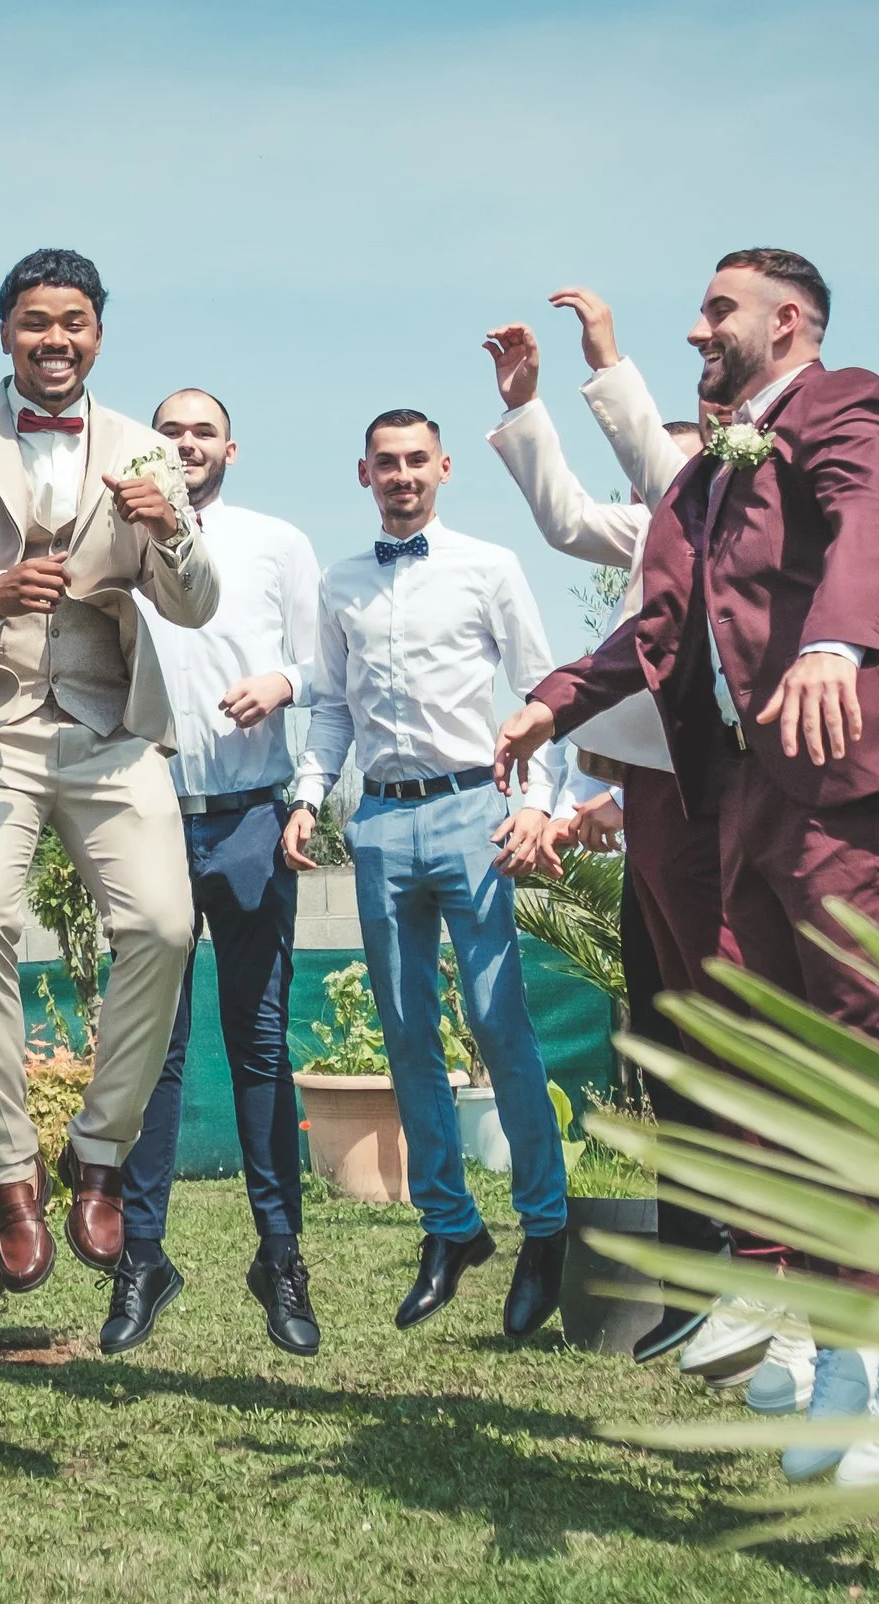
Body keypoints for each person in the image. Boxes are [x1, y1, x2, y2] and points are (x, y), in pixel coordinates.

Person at [495, 249, 879, 1484]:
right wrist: (555, 701)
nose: (696, 326)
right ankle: (840, 1351)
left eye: (717, 308)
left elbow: (874, 518)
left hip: (840, 773)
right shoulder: (709, 471)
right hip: (747, 795)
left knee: (864, 1057)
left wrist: (835, 638)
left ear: (788, 321)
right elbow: (658, 625)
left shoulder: (838, 404)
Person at [0, 249, 219, 1295]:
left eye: (73, 321)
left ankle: (99, 1155)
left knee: (164, 925)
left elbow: (196, 602)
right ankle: (14, 1170)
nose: (54, 339)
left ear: (99, 334)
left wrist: (169, 531)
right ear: (5, 333)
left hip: (108, 722)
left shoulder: (146, 449)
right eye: (34, 322)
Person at [481, 293, 767, 1374]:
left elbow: (654, 458)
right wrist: (528, 406)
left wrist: (606, 358)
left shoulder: (729, 511)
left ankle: (758, 1258)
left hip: (715, 793)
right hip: (648, 798)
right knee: (665, 1026)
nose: (674, 466)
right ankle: (702, 1266)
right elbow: (562, 517)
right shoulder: (660, 521)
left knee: (721, 1023)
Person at [284, 409, 571, 1341]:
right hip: (380, 819)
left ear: (444, 468)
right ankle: (448, 1225)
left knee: (497, 1018)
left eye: (417, 461)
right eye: (386, 463)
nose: (402, 475)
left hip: (473, 806)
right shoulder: (340, 583)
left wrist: (539, 803)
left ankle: (546, 1227)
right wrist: (307, 792)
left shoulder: (487, 567)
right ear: (362, 473)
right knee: (406, 1031)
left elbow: (544, 692)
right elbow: (328, 707)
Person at [107, 387, 322, 1357]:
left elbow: (326, 665)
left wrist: (285, 682)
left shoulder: (276, 542)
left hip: (249, 821)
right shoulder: (114, 543)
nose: (187, 444)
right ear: (149, 450)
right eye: (171, 432)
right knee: (151, 1051)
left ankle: (279, 1255)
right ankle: (140, 1258)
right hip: (146, 819)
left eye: (202, 431)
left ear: (229, 446)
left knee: (261, 1043)